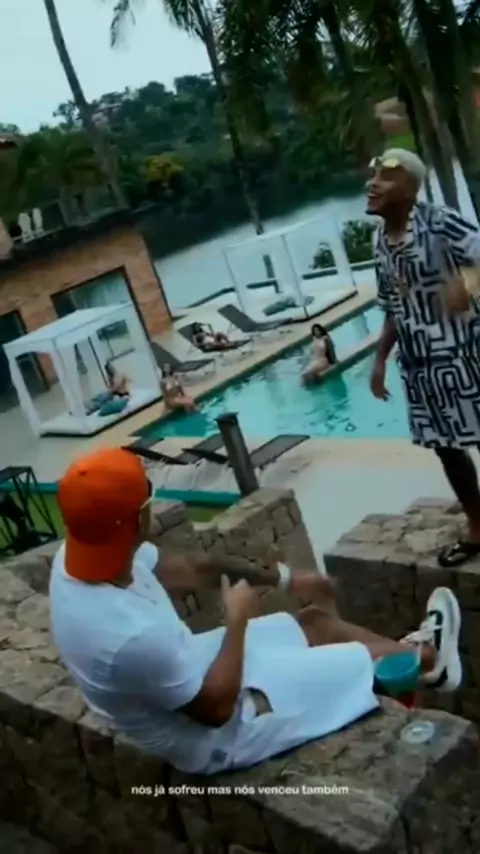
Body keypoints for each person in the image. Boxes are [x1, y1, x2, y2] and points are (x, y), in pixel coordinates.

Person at [49, 446, 462, 776]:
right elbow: (215, 711)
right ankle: (423, 659)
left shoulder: (85, 554)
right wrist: (237, 620)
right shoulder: (129, 637)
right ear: (139, 518)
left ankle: (422, 656)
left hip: (189, 669)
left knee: (314, 623)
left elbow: (195, 569)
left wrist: (285, 580)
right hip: (219, 739)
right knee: (356, 663)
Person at [368, 148, 480, 568]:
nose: (373, 184)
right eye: (374, 176)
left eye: (386, 177)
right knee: (446, 448)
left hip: (467, 355)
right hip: (421, 366)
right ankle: (478, 525)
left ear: (411, 188)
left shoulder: (441, 221)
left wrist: (468, 285)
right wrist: (380, 360)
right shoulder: (379, 240)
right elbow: (391, 304)